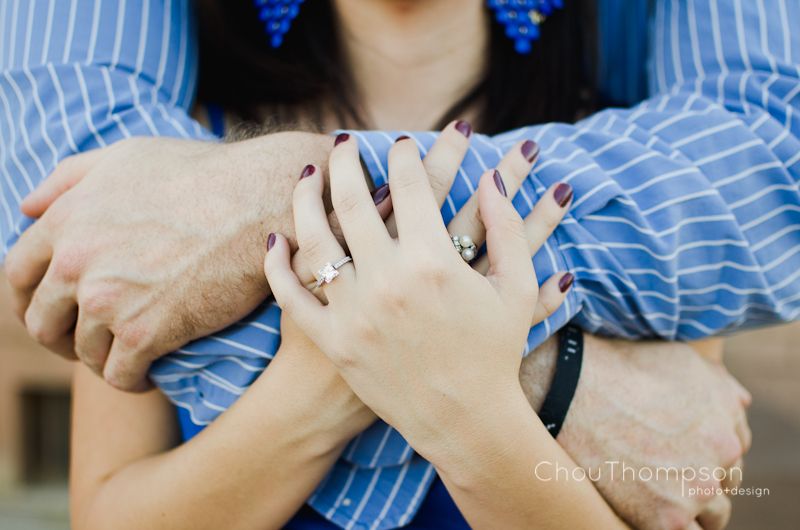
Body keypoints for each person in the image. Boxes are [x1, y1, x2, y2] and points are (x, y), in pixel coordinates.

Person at [1, 0, 796, 527]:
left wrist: (432, 373)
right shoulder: (176, 171)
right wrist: (389, 352)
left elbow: (671, 487)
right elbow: (111, 510)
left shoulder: (617, 167)